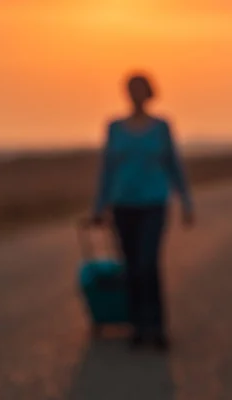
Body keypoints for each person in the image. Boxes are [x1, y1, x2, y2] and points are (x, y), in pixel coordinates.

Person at [91, 73, 194, 350]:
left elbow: (174, 165)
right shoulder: (114, 127)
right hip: (123, 205)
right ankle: (136, 327)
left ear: (149, 93)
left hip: (153, 204)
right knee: (131, 267)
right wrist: (99, 206)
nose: (136, 94)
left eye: (140, 89)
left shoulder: (161, 127)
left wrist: (186, 201)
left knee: (148, 264)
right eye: (131, 89)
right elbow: (107, 170)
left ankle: (156, 327)